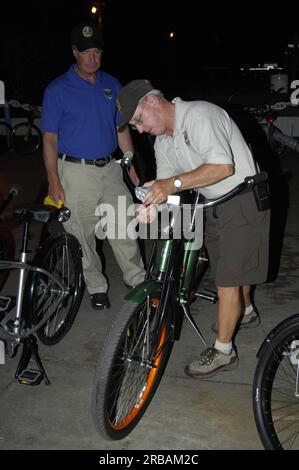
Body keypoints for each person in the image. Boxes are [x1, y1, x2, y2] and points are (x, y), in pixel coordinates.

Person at [116, 79, 270, 378]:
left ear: (151, 102)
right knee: (233, 270)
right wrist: (151, 205)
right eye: (135, 127)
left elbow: (222, 167)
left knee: (228, 279)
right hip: (212, 203)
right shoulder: (163, 142)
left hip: (242, 198)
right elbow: (167, 190)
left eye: (138, 121)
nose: (140, 130)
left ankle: (224, 351)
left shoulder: (200, 115)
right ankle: (246, 311)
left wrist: (170, 184)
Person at [40, 23, 145, 310]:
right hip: (74, 172)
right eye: (86, 51)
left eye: (97, 51)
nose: (92, 57)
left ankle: (137, 280)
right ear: (74, 53)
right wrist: (53, 179)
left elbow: (121, 128)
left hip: (110, 168)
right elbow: (49, 138)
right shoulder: (57, 90)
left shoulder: (112, 84)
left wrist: (129, 162)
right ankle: (96, 287)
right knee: (82, 234)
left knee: (123, 226)